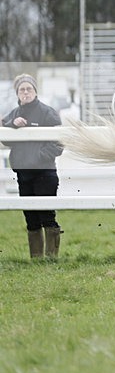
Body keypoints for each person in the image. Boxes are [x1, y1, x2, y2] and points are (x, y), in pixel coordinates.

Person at [1, 74, 64, 258]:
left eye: (29, 88)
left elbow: (60, 143)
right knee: (31, 218)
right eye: (22, 89)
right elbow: (5, 138)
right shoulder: (13, 114)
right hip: (23, 174)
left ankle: (51, 258)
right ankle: (36, 259)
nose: (26, 92)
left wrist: (40, 156)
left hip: (45, 173)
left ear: (35, 91)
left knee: (47, 216)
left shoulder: (48, 113)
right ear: (18, 93)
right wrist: (13, 125)